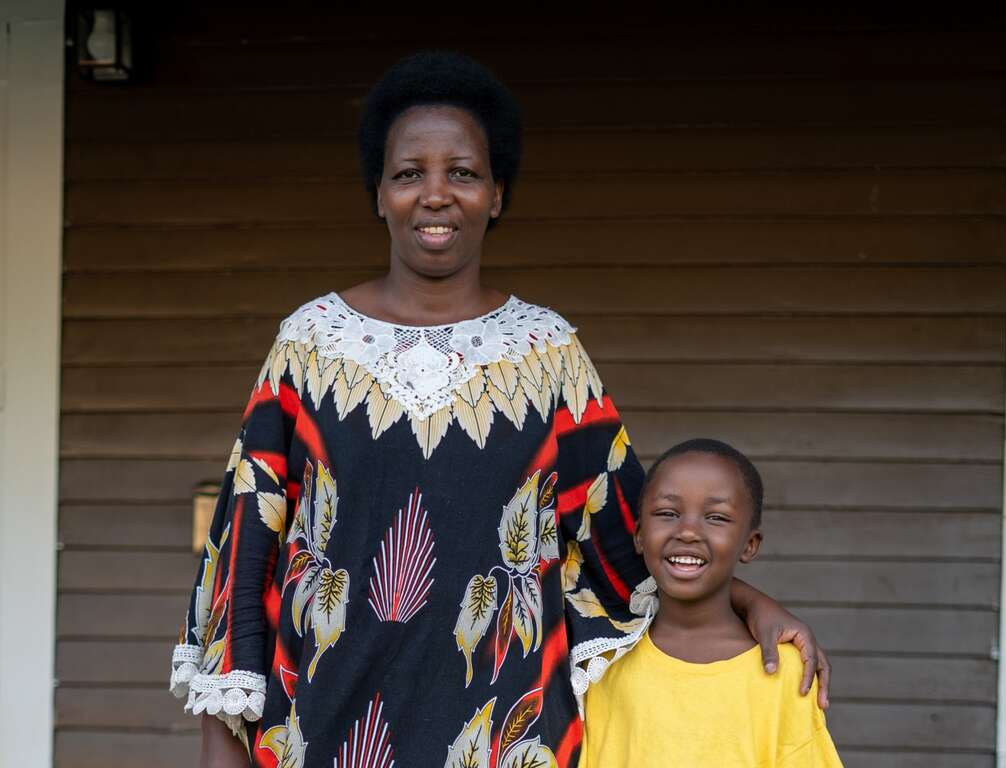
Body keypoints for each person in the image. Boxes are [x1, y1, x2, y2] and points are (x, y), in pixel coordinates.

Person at [169, 52, 831, 768]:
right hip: (318, 735)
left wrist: (748, 602)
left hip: (503, 743)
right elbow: (240, 552)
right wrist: (220, 742)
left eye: (463, 172)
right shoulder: (309, 347)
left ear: (497, 194)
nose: (435, 194)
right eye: (408, 173)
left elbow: (627, 538)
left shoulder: (547, 358)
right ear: (378, 194)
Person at [580, 438, 843, 766]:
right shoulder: (600, 662)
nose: (688, 531)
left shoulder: (783, 669)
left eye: (716, 517)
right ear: (639, 535)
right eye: (667, 512)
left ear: (750, 545)